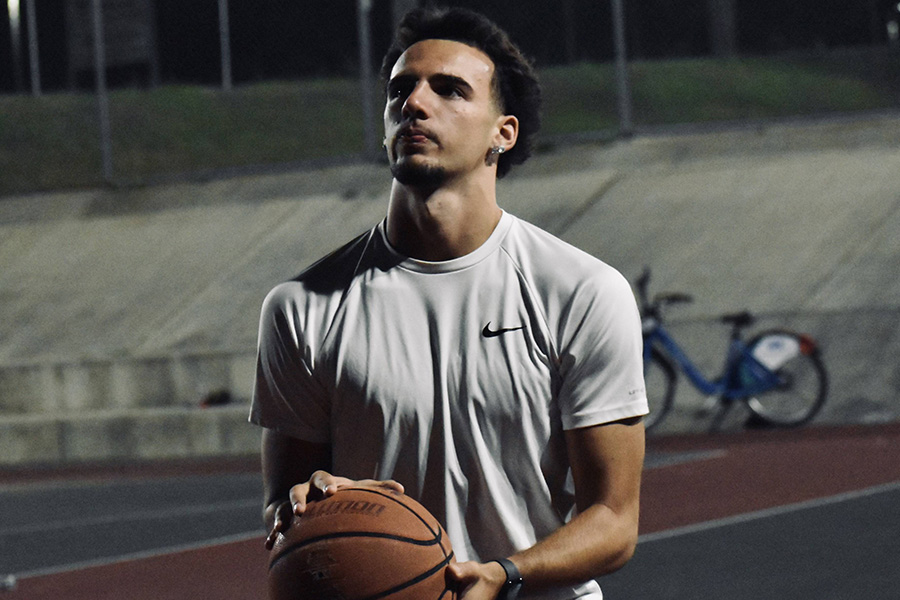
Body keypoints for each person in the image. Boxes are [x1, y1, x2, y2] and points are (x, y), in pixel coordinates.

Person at [250, 7, 648, 599]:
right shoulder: (301, 308)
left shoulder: (581, 292)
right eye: (400, 89)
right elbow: (282, 513)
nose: (415, 102)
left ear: (502, 133)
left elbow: (614, 523)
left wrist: (503, 573)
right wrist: (317, 505)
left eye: (450, 89)